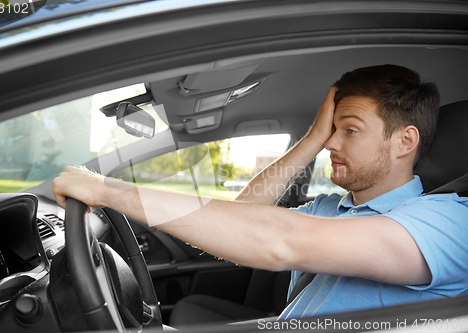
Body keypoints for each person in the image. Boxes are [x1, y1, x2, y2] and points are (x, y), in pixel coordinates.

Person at [53, 65, 468, 321]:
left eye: (350, 130)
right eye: (330, 129)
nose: (330, 144)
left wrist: (106, 189)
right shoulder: (330, 207)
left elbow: (277, 240)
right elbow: (242, 217)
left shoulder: (448, 221)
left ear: (404, 141)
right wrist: (310, 139)